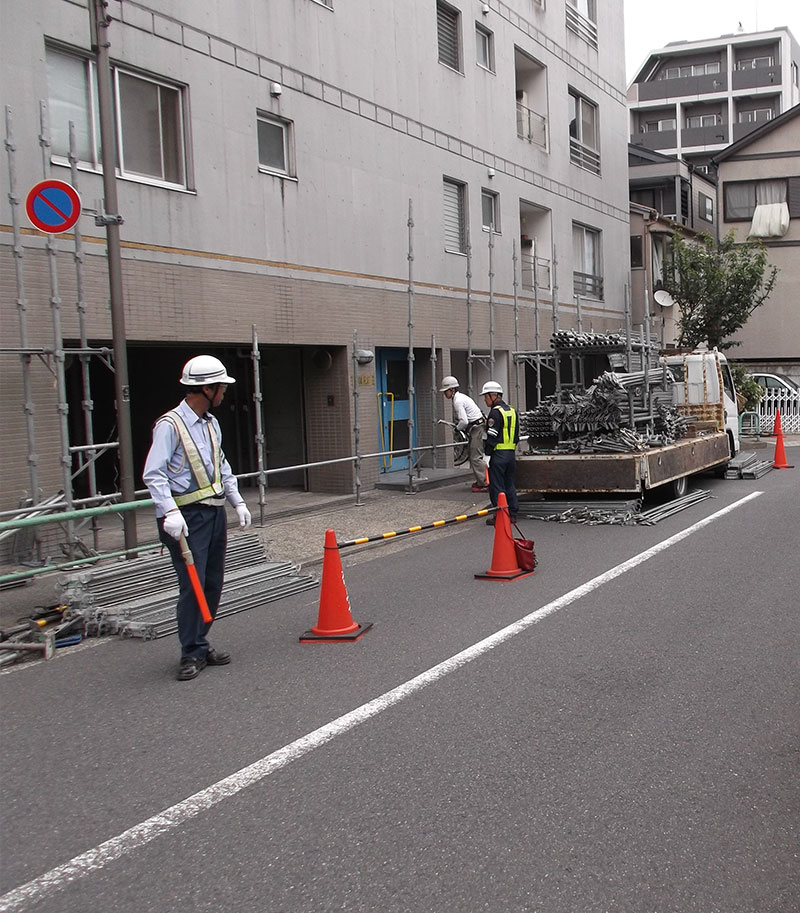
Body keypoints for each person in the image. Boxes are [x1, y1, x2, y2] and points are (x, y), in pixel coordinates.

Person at [143, 355, 252, 681]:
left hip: (214, 514)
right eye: (222, 387)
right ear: (207, 388)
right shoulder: (170, 425)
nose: (224, 393)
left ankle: (200, 643)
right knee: (193, 586)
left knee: (212, 583)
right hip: (187, 518)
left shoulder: (210, 423)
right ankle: (190, 652)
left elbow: (222, 467)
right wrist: (170, 512)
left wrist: (237, 501)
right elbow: (154, 474)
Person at [440, 375, 487, 493]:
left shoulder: (457, 401)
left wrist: (457, 429)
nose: (445, 394)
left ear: (452, 390)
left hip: (476, 428)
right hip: (477, 426)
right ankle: (482, 480)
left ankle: (484, 483)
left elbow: (464, 421)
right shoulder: (461, 397)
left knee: (475, 457)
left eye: (446, 391)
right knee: (474, 455)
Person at [481, 380, 519, 526]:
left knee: (497, 486)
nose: (485, 399)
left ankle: (501, 516)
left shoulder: (495, 413)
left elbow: (492, 436)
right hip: (510, 454)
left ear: (494, 396)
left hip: (498, 455)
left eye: (486, 396)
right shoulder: (512, 411)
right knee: (509, 484)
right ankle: (513, 514)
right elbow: (516, 436)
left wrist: (487, 454)